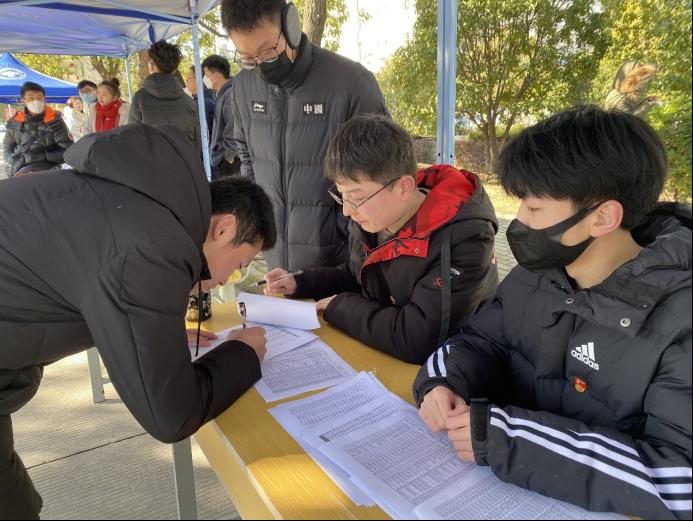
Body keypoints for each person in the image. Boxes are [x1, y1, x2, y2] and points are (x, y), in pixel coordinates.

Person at [414, 106, 692, 520]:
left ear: (602, 217)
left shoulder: (681, 318)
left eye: (534, 208)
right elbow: (476, 341)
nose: (519, 221)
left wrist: (510, 442)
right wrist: (443, 382)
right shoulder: (538, 274)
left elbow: (680, 480)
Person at [0, 124, 276, 519]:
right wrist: (242, 354)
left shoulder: (141, 206)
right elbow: (171, 416)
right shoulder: (154, 247)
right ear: (224, 227)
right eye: (239, 264)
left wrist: (158, 330)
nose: (227, 279)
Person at [265, 115, 499, 364]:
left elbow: (419, 337)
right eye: (341, 195)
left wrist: (339, 307)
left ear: (403, 188)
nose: (347, 210)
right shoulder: (371, 217)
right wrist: (301, 281)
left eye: (356, 197)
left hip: (454, 369)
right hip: (384, 354)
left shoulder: (466, 237)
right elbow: (359, 275)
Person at [221, 0, 389, 270]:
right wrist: (260, 219)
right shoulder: (242, 87)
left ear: (291, 26)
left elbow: (379, 173)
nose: (261, 65)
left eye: (268, 51)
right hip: (275, 262)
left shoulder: (350, 83)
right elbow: (247, 155)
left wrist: (342, 231)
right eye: (248, 59)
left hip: (340, 265)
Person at [129, 40, 201, 153]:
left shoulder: (139, 98)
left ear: (151, 65)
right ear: (175, 69)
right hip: (184, 161)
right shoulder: (188, 101)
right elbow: (197, 141)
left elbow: (133, 138)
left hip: (152, 162)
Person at [3, 81, 73, 177]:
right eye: (31, 98)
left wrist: (42, 156)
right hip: (20, 171)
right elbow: (7, 148)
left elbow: (68, 150)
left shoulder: (55, 121)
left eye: (39, 98)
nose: (36, 101)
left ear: (44, 99)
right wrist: (15, 164)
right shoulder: (15, 122)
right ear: (23, 100)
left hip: (49, 170)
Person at [202, 54, 240, 178]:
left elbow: (233, 128)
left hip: (230, 161)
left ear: (217, 75)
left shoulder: (230, 94)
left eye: (206, 75)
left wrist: (228, 156)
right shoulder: (221, 94)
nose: (204, 79)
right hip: (224, 159)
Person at [187, 65, 216, 143]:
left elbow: (205, 136)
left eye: (189, 78)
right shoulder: (207, 99)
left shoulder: (203, 104)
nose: (186, 81)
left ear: (198, 80)